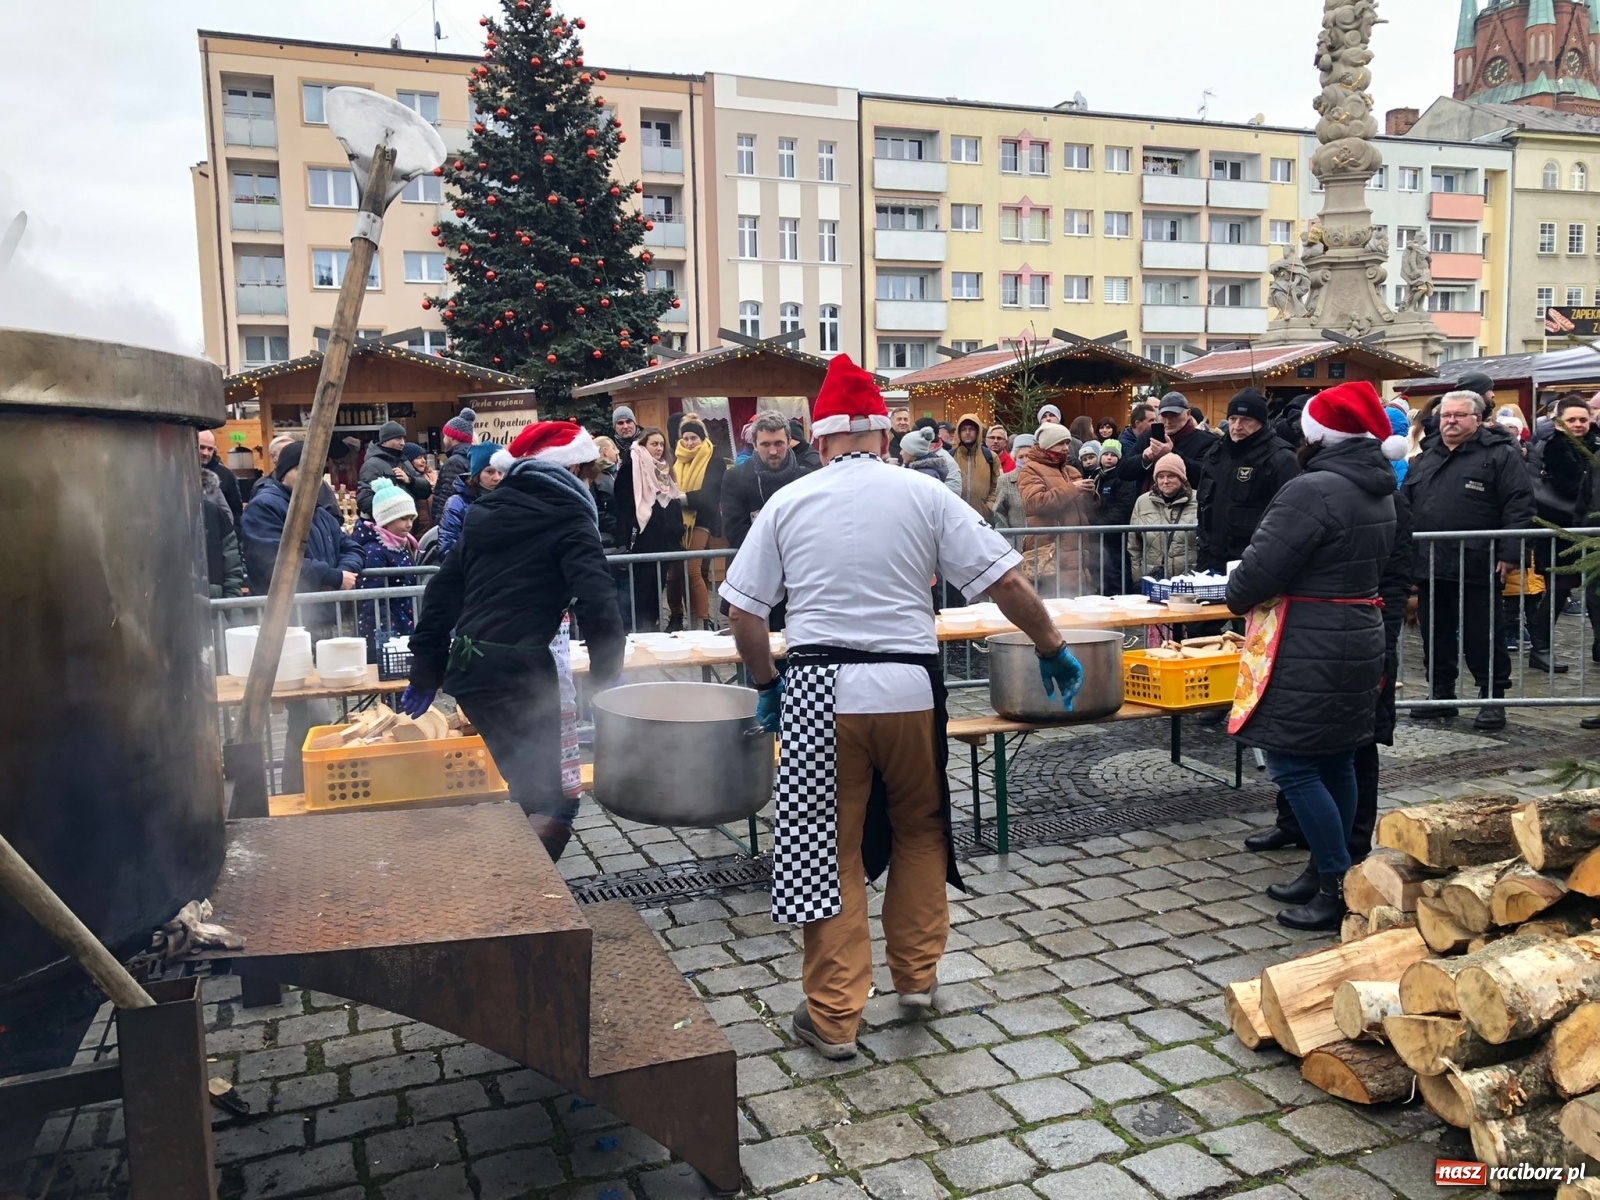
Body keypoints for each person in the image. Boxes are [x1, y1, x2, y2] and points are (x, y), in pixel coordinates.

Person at [719, 354, 1083, 1060]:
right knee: (920, 830)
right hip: (910, 688)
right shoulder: (925, 494)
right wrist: (1050, 645)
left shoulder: (789, 501)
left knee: (832, 850)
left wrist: (767, 683)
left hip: (822, 693)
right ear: (885, 438)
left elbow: (743, 612)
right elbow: (1004, 582)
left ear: (818, 440)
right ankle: (915, 979)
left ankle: (832, 1017)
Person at [404, 422, 624, 861]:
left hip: (470, 672)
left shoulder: (487, 510)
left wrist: (428, 668)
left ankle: (516, 889)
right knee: (557, 798)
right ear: (576, 467)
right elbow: (598, 602)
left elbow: (443, 592)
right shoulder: (570, 515)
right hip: (519, 676)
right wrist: (606, 682)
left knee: (529, 789)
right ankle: (521, 897)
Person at [1226, 382, 1402, 929]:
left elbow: (1259, 572)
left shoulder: (1315, 489)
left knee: (1293, 763)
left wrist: (1237, 585)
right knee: (1337, 757)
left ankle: (1333, 879)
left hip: (1309, 640)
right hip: (1354, 631)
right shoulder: (1377, 486)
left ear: (1318, 432)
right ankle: (1336, 869)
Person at [1403, 389, 1535, 731]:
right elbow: (1408, 504)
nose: (1450, 421)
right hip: (1431, 562)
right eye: (1446, 415)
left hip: (1478, 562)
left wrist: (1510, 553)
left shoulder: (1500, 455)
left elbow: (1519, 505)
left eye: (1459, 415)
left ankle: (1491, 699)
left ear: (1477, 419)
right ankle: (1441, 696)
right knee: (1436, 634)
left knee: (1483, 635)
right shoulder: (1427, 454)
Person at [239, 440, 363, 791]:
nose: (316, 478)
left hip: (321, 622)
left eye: (319, 471)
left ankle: (315, 786)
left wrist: (346, 571)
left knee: (316, 715)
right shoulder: (265, 508)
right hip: (289, 626)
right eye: (308, 471)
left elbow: (350, 546)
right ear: (288, 471)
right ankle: (300, 789)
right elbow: (276, 560)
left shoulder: (319, 510)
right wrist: (333, 576)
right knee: (311, 714)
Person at [722, 410, 815, 629]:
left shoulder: (806, 478)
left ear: (789, 442)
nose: (773, 451)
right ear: (754, 444)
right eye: (765, 445)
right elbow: (736, 532)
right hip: (752, 579)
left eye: (779, 443)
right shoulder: (735, 478)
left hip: (797, 581)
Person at [1195, 388, 1301, 577]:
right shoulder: (1216, 453)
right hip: (1210, 561)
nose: (1237, 426)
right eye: (1233, 418)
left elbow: (1292, 519)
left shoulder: (1281, 459)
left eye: (1246, 420)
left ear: (1260, 422)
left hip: (1253, 565)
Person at [1530, 396, 1600, 676]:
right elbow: (1572, 485)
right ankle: (1541, 648)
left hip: (1589, 527)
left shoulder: (1596, 444)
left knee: (1595, 590)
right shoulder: (1554, 448)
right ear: (1559, 423)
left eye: (1583, 419)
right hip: (1558, 528)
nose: (1579, 424)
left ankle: (1598, 644)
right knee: (1558, 590)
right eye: (1572, 420)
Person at [614, 425, 685, 630]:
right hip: (643, 539)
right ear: (644, 444)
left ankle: (651, 626)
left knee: (657, 587)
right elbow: (623, 502)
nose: (659, 448)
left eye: (662, 444)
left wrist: (675, 528)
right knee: (643, 589)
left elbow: (672, 499)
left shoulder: (665, 468)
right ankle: (643, 629)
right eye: (654, 444)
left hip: (665, 540)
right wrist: (634, 526)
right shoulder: (631, 467)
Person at [1018, 423, 1098, 596]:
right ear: (1047, 444)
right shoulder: (1031, 469)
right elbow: (1034, 502)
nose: (1065, 448)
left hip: (1075, 551)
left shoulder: (1071, 471)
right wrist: (1073, 489)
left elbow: (1086, 512)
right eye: (1060, 443)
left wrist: (1090, 496)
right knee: (1052, 605)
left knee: (1074, 608)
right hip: (1050, 552)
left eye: (1067, 443)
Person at [666, 416, 728, 632]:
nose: (690, 442)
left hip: (702, 520)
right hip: (677, 523)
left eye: (694, 438)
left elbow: (710, 496)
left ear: (702, 439)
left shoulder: (714, 460)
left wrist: (680, 498)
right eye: (686, 438)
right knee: (674, 573)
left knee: (692, 570)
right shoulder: (677, 459)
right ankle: (678, 616)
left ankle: (703, 620)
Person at [352, 478, 420, 644]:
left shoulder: (402, 545)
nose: (409, 524)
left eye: (411, 518)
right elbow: (373, 599)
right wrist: (386, 632)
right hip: (386, 627)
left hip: (405, 619)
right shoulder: (374, 551)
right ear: (386, 519)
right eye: (403, 518)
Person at [1116, 391, 1217, 495]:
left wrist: (1170, 454)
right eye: (1164, 416)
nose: (1168, 421)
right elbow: (1122, 471)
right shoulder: (1148, 437)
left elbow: (1205, 476)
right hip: (1148, 505)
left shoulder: (1206, 441)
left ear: (1188, 414)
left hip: (1187, 507)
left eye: (1174, 415)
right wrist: (1144, 459)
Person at [1127, 453, 1198, 581]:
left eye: (1171, 476)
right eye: (1160, 477)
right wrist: (1138, 579)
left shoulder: (1198, 501)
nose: (1165, 481)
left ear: (1182, 478)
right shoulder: (1142, 502)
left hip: (1189, 579)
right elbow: (1134, 545)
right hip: (1153, 580)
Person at [436, 442, 505, 558]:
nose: (497, 478)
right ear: (477, 474)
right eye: (490, 471)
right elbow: (447, 547)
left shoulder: (509, 498)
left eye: (500, 472)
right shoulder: (457, 503)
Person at [358, 421, 432, 517]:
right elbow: (364, 500)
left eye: (403, 439)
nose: (402, 443)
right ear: (385, 441)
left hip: (409, 525)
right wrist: (392, 515)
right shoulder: (372, 465)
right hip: (387, 527)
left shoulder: (404, 461)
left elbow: (426, 491)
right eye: (398, 439)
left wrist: (410, 480)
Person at [1093, 440, 1139, 593]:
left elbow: (1123, 506)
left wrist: (1099, 524)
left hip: (1115, 534)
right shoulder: (1096, 477)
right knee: (1100, 570)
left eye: (1113, 455)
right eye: (1105, 454)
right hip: (1098, 535)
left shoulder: (1123, 478)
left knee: (1116, 570)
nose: (1109, 458)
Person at [201, 465, 245, 600]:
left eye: (210, 449)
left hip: (215, 604)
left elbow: (232, 573)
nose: (206, 452)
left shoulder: (213, 513)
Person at [430, 407, 477, 524]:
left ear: (452, 437)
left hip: (451, 523)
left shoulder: (454, 462)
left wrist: (438, 525)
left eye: (445, 436)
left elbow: (446, 498)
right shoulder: (473, 458)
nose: (444, 439)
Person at [950, 413, 1000, 521]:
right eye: (964, 429)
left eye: (971, 429)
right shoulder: (950, 457)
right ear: (959, 432)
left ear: (977, 431)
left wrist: (989, 506)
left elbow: (997, 485)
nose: (967, 433)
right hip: (955, 517)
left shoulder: (991, 457)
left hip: (983, 517)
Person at [199, 429, 244, 526]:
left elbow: (236, 511)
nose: (205, 453)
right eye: (201, 447)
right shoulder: (180, 472)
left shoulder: (225, 475)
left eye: (210, 449)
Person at [898, 427, 961, 493]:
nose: (900, 453)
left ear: (912, 452)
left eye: (903, 449)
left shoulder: (925, 476)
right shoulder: (921, 470)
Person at [992, 434, 1034, 531]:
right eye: (1021, 457)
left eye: (1028, 456)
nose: (1025, 460)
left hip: (1041, 542)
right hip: (1016, 541)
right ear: (1015, 459)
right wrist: (1007, 538)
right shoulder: (1005, 480)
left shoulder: (1043, 478)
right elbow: (999, 513)